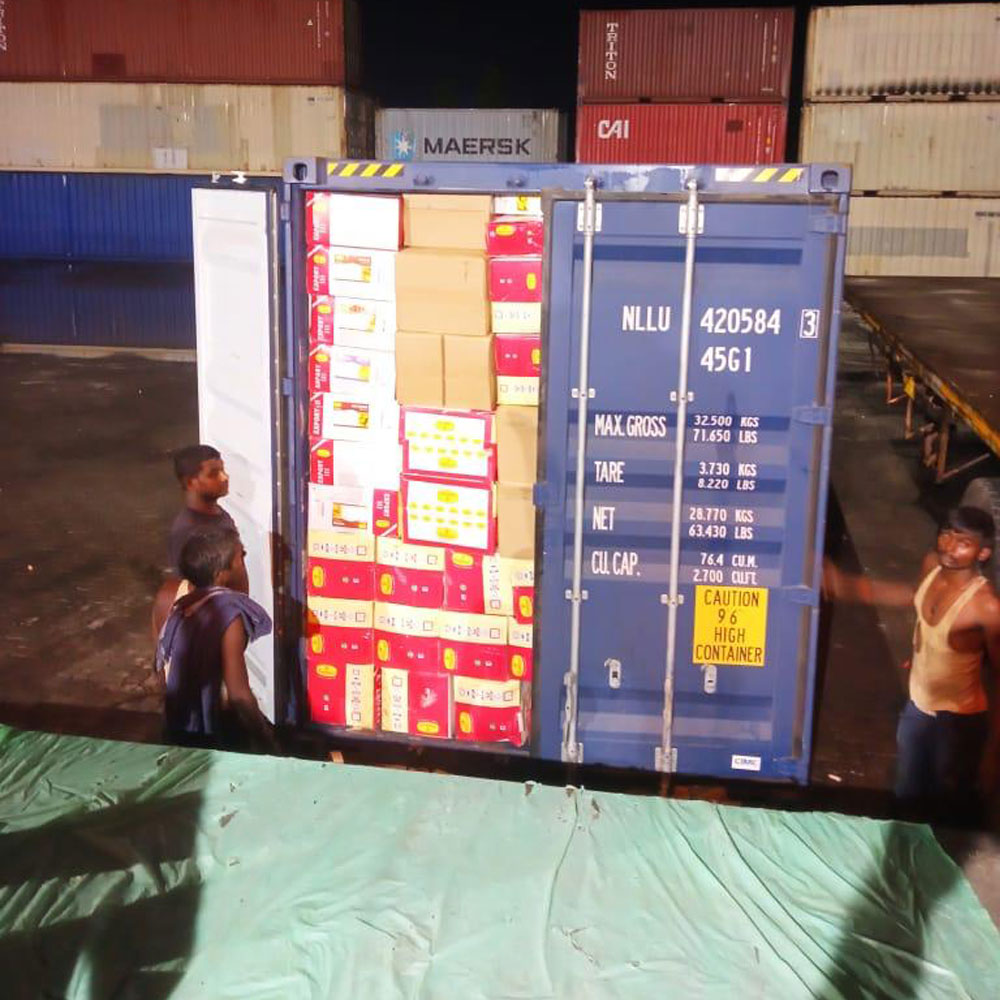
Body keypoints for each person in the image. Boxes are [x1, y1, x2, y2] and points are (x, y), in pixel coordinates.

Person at [825, 506, 1000, 823]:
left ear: (983, 553)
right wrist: (847, 585)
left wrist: (992, 755)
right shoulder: (932, 564)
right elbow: (913, 596)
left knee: (946, 805)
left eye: (963, 542)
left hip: (957, 722)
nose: (949, 547)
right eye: (946, 534)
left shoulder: (985, 606)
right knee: (906, 793)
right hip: (918, 706)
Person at [154, 527, 276, 752]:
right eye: (241, 557)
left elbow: (162, 670)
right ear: (222, 573)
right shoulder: (228, 617)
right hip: (212, 732)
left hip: (177, 725)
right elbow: (239, 696)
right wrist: (268, 741)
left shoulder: (177, 601)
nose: (245, 564)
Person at [167, 444, 236, 576]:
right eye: (213, 474)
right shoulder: (187, 532)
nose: (224, 477)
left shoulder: (218, 513)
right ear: (190, 483)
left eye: (223, 470)